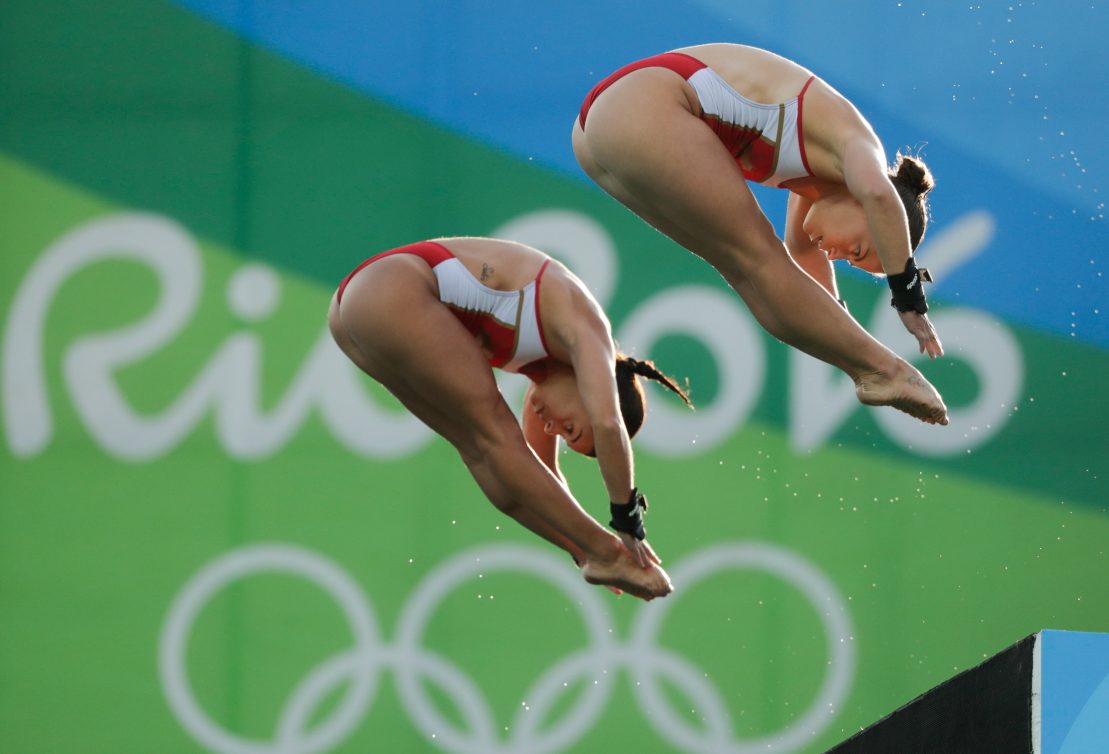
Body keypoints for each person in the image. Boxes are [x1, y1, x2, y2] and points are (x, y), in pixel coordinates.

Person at [573, 43, 950, 425]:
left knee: (745, 268)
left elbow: (801, 259)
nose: (838, 256)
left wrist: (837, 329)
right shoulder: (857, 145)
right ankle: (886, 371)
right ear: (863, 206)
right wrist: (907, 296)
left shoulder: (818, 180)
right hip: (639, 107)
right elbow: (879, 196)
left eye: (849, 260)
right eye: (856, 249)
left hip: (597, 134)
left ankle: (874, 370)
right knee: (757, 257)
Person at [328, 236, 692, 600]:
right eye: (570, 428)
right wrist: (626, 525)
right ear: (595, 391)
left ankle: (598, 552)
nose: (552, 429)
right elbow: (608, 424)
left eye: (562, 436)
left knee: (478, 448)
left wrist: (579, 549)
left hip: (352, 316)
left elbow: (523, 487)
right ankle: (602, 551)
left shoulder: (544, 374)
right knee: (495, 432)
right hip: (389, 287)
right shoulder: (587, 325)